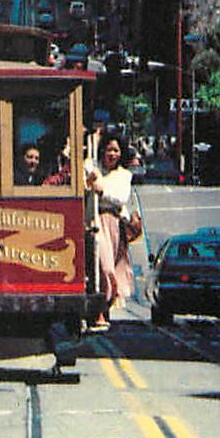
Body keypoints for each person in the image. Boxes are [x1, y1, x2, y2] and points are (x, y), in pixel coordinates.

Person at [84, 135, 135, 326]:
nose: (112, 154)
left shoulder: (124, 175)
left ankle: (104, 307)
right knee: (102, 266)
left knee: (111, 267)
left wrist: (101, 189)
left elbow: (120, 197)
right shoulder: (93, 167)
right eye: (109, 150)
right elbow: (84, 179)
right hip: (94, 220)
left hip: (112, 223)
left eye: (116, 150)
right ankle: (99, 307)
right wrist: (89, 181)